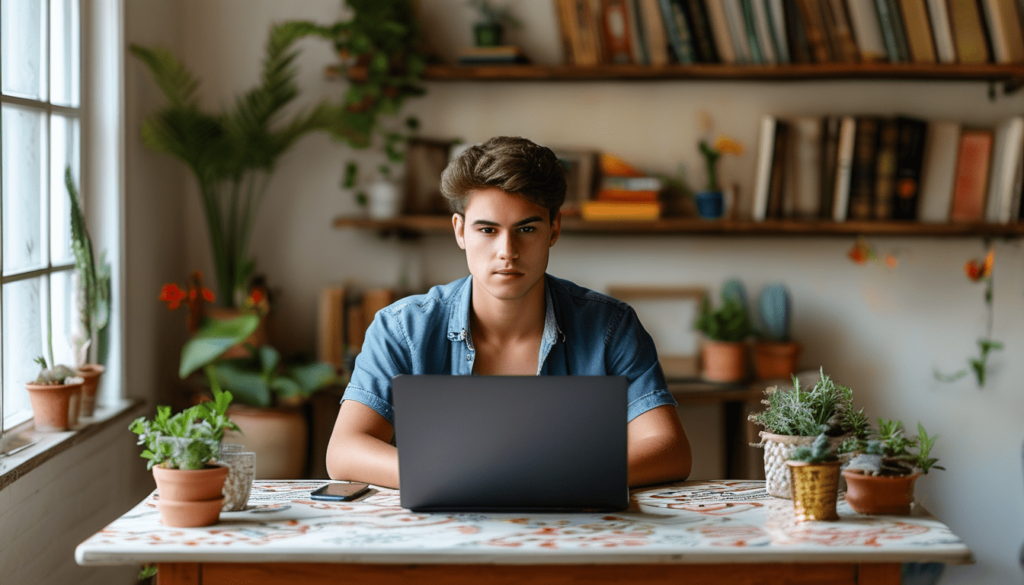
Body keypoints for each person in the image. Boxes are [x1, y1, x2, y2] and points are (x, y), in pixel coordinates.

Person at [327, 136, 692, 489]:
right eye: (487, 229)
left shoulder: (611, 326)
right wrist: (453, 474)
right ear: (460, 231)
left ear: (554, 229)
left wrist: (556, 478)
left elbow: (670, 449)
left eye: (527, 229)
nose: (507, 251)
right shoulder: (401, 328)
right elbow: (344, 451)